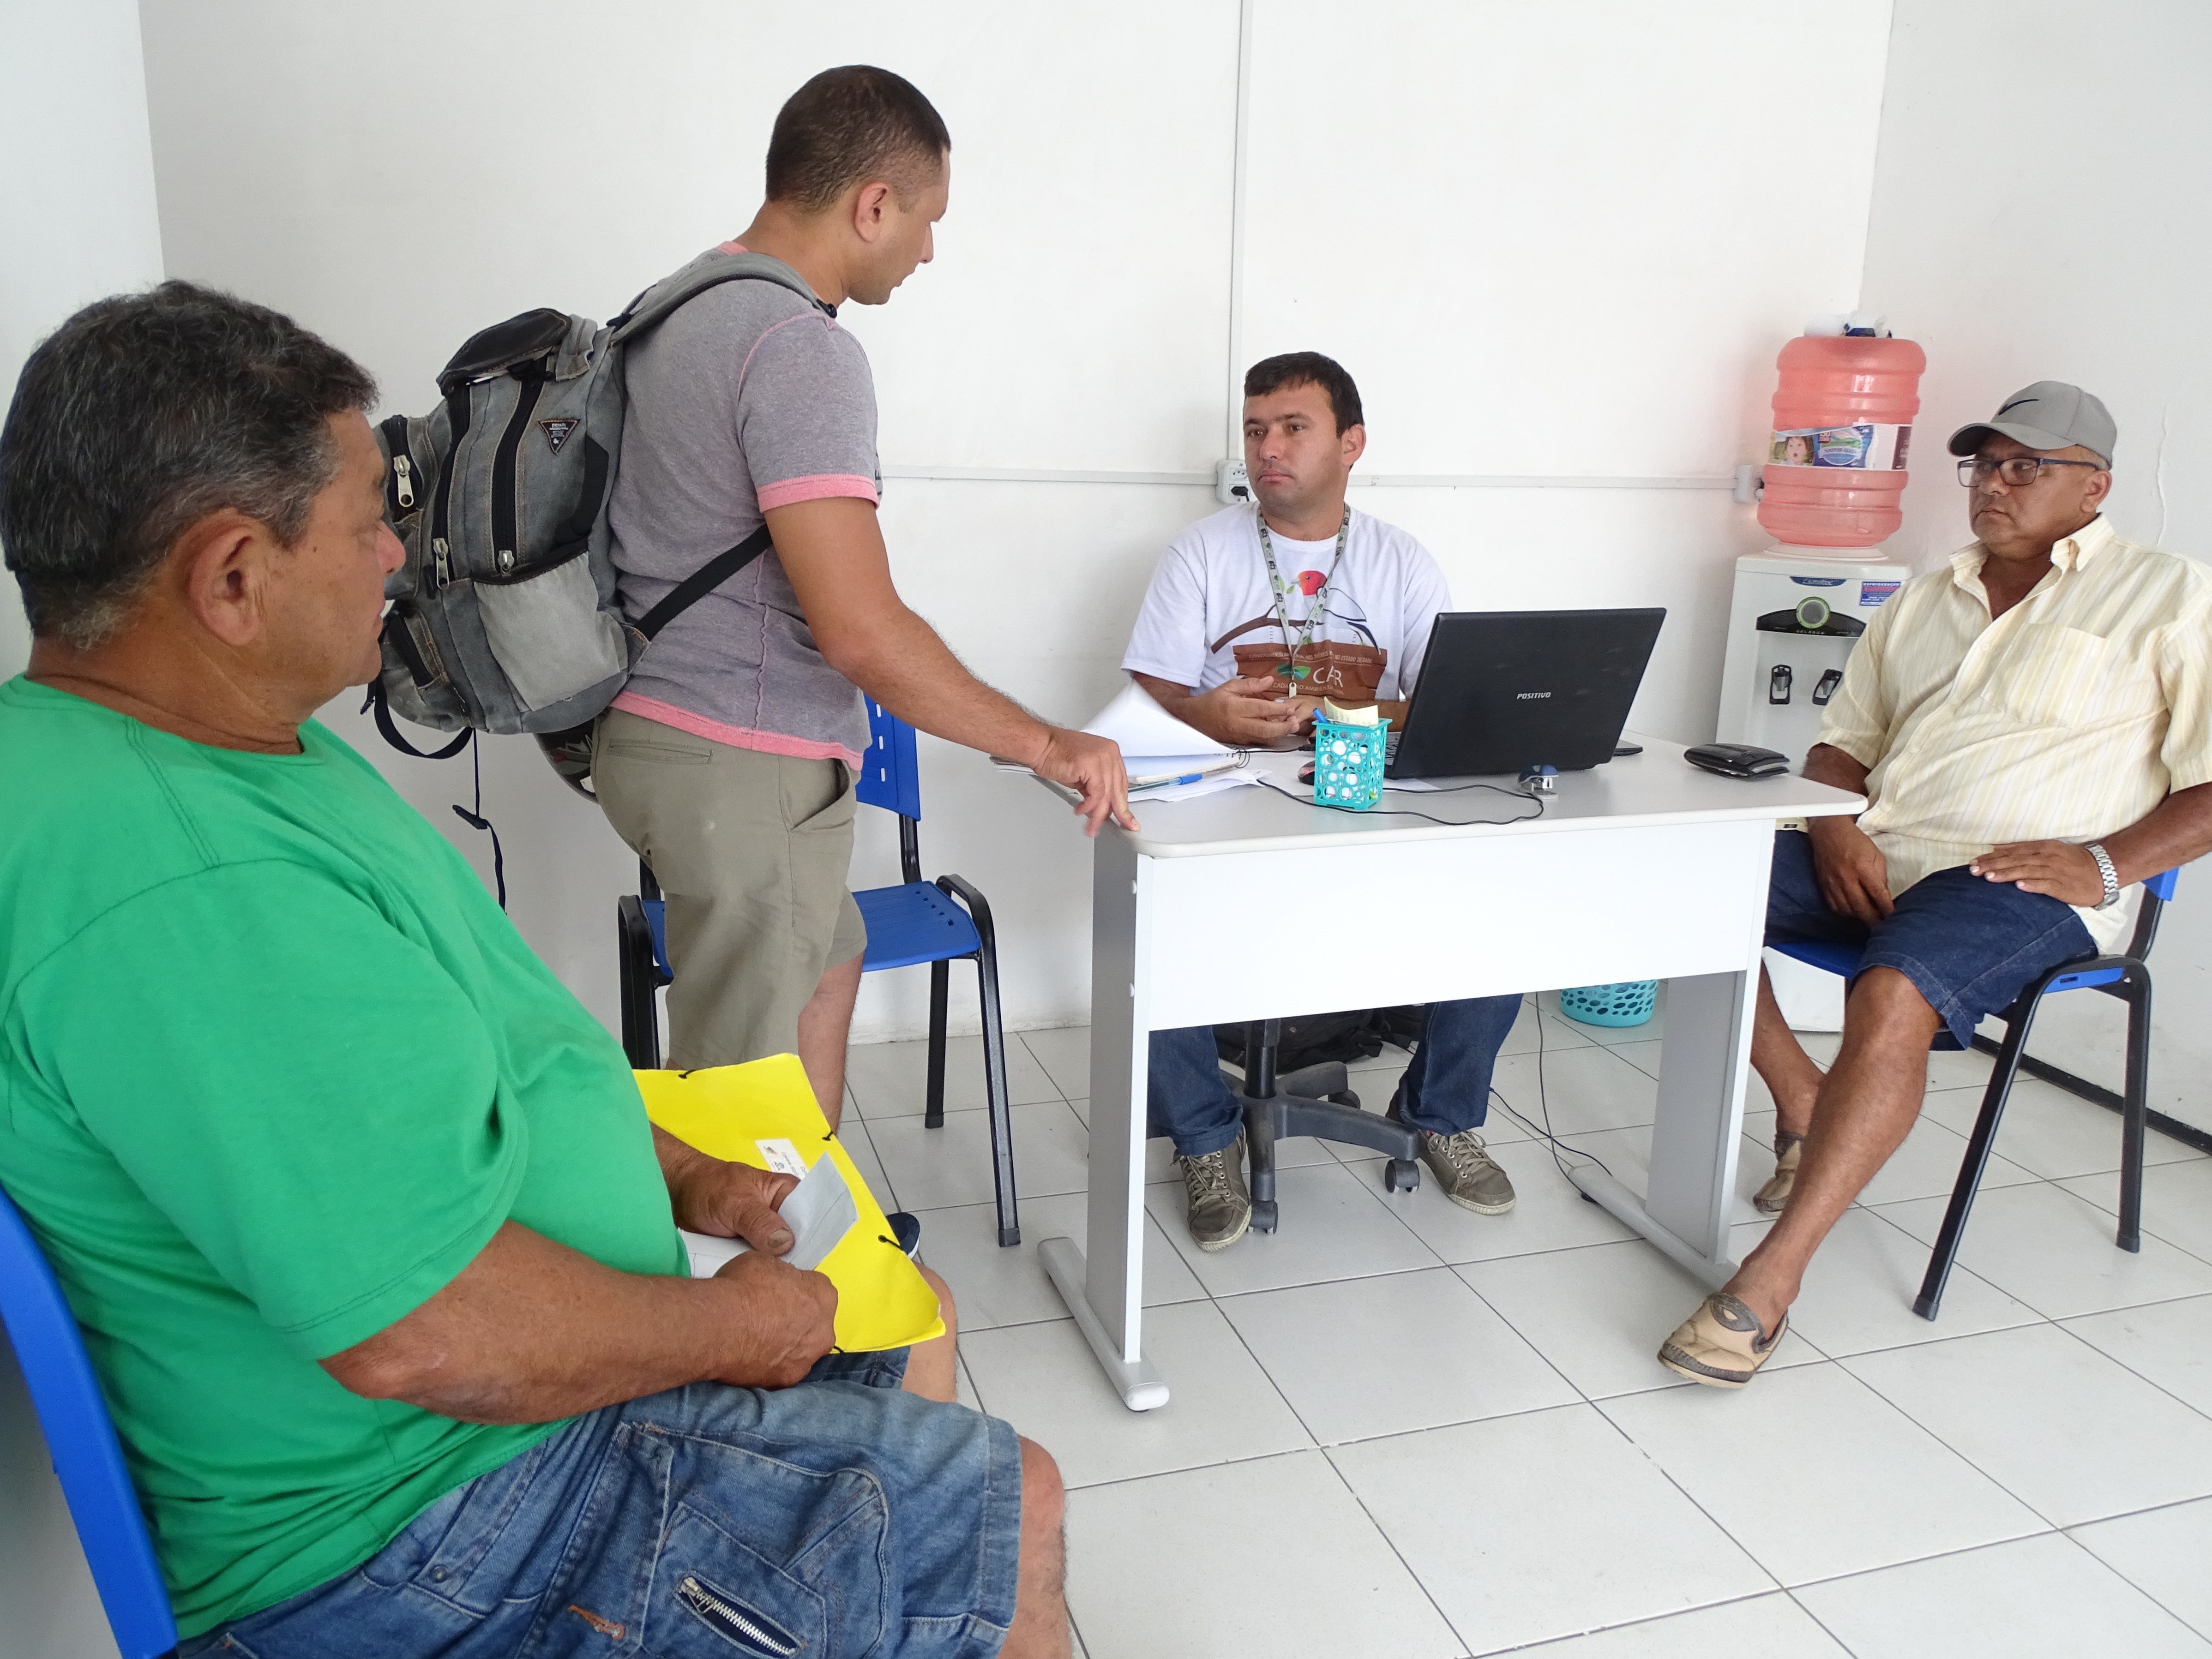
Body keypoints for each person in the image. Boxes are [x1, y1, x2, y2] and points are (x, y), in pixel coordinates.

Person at [0, 283, 1068, 1658]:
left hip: (468, 1432)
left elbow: (455, 1064)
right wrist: (722, 1327)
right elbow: (426, 1334)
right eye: (365, 521)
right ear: (231, 579)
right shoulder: (179, 878)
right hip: (425, 1532)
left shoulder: (204, 738)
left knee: (912, 1326)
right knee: (1012, 1498)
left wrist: (670, 1170)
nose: (397, 552)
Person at [592, 66, 1132, 1122]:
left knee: (825, 962)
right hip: (738, 758)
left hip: (655, 731)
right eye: (925, 220)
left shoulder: (674, 306)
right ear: (870, 205)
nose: (927, 250)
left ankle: (806, 1240)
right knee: (740, 1108)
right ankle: (751, 1273)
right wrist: (1044, 743)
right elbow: (859, 630)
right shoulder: (798, 347)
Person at [1661, 381, 2212, 1389]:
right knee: (1676, 884)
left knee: (1892, 988)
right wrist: (1833, 829)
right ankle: (1801, 1099)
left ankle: (1771, 1278)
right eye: (1982, 465)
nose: (1992, 487)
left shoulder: (2170, 597)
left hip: (2021, 880)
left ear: (2093, 485)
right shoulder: (1923, 597)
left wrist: (2101, 865)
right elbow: (1840, 749)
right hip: (1877, 850)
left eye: (2023, 468)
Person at [1123, 351, 1523, 1249]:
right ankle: (1203, 1137)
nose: (1268, 448)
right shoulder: (1200, 553)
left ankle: (1438, 1115)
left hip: (1368, 815)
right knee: (1141, 923)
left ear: (1351, 443)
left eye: (1291, 428)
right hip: (1222, 820)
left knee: (1501, 912)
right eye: (1255, 429)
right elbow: (1140, 702)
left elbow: (1444, 700)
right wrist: (1204, 711)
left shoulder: (1399, 561)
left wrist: (1350, 713)